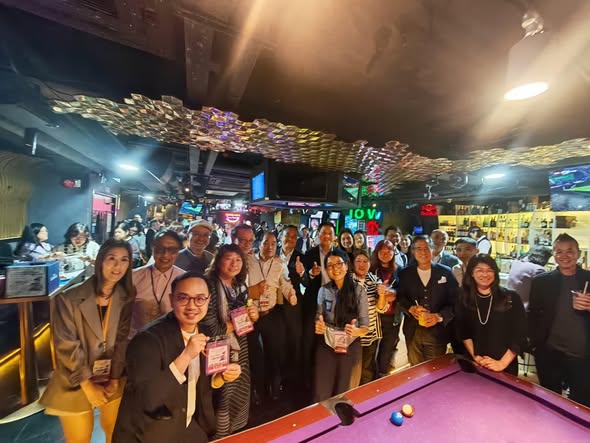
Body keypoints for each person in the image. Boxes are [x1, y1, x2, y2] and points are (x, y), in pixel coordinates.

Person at [113, 273, 242, 443]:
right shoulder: (146, 340)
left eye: (200, 299)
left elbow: (203, 383)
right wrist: (186, 356)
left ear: (208, 300)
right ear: (171, 299)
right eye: (183, 298)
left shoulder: (205, 331)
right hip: (149, 434)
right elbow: (148, 399)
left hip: (189, 426)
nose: (192, 305)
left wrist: (222, 376)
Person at [39, 239, 135, 443]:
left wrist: (115, 377)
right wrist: (88, 386)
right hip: (75, 376)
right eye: (111, 259)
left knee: (116, 433)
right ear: (100, 261)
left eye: (124, 260)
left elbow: (122, 340)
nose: (117, 266)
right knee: (79, 438)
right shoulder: (69, 298)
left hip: (112, 373)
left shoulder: (125, 296)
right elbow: (67, 346)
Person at [199, 244, 259, 438]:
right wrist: (239, 321)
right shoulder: (208, 286)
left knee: (238, 392)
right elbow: (210, 328)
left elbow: (246, 320)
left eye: (238, 260)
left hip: (240, 347)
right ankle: (219, 436)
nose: (234, 264)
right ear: (218, 261)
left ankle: (234, 433)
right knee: (221, 396)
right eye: (229, 259)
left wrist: (253, 315)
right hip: (215, 350)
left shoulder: (239, 285)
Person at [528, 233, 590, 407]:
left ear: (578, 254)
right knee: (550, 399)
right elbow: (532, 314)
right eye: (559, 251)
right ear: (553, 255)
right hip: (550, 351)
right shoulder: (541, 281)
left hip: (583, 354)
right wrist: (535, 344)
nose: (564, 255)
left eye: (570, 251)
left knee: (582, 402)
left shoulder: (588, 279)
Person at [455, 254, 526, 375]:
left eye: (489, 270)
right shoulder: (463, 298)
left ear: (495, 273)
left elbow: (520, 336)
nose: (485, 274)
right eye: (480, 270)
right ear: (471, 273)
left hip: (504, 365)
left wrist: (501, 364)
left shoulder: (511, 298)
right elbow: (463, 332)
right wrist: (476, 357)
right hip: (475, 363)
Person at [314, 249, 369, 401]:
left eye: (339, 263)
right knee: (322, 391)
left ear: (347, 266)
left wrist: (356, 331)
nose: (335, 268)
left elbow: (365, 326)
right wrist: (318, 326)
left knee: (346, 392)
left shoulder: (359, 291)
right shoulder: (323, 290)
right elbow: (318, 316)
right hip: (327, 344)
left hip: (351, 345)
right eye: (330, 265)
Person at [247, 232, 296, 400]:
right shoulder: (249, 261)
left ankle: (275, 387)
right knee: (254, 354)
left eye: (273, 243)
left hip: (271, 313)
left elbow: (285, 283)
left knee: (275, 352)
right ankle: (257, 390)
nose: (269, 246)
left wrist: (291, 294)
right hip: (251, 315)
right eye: (266, 243)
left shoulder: (279, 264)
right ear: (259, 244)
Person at [397, 235, 458, 365]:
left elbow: (455, 302)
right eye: (418, 248)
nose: (423, 252)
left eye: (427, 248)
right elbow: (399, 298)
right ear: (413, 251)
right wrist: (410, 308)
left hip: (438, 333)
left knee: (435, 369)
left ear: (432, 249)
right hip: (413, 332)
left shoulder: (445, 272)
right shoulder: (405, 274)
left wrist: (439, 316)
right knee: (415, 368)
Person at [129, 231, 185, 338]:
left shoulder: (184, 280)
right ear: (152, 248)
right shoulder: (134, 277)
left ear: (178, 251)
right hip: (135, 339)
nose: (165, 254)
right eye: (160, 249)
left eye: (171, 250)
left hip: (170, 340)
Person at [302, 222, 337, 390]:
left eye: (330, 233)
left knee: (330, 339)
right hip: (313, 303)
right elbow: (303, 282)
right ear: (318, 234)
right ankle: (308, 379)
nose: (327, 236)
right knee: (311, 339)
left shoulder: (340, 255)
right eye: (324, 233)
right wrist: (310, 273)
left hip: (334, 304)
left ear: (334, 236)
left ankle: (328, 376)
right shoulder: (309, 254)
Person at [351, 250, 388, 385]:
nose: (362, 264)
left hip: (371, 333)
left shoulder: (374, 280)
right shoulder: (347, 281)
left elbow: (381, 308)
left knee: (367, 369)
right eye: (358, 261)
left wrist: (382, 295)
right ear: (353, 264)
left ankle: (366, 394)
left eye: (365, 261)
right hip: (352, 335)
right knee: (353, 369)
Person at [278, 225, 306, 389]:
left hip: (294, 305)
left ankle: (292, 381)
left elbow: (307, 282)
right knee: (277, 342)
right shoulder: (272, 254)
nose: (290, 239)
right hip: (274, 306)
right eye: (287, 235)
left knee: (294, 340)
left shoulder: (301, 257)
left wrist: (302, 273)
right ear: (281, 236)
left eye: (294, 237)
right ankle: (277, 378)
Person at [369, 240, 400, 376]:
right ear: (376, 252)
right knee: (372, 348)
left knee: (387, 349)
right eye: (382, 251)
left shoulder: (400, 270)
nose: (385, 254)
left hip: (392, 316)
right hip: (374, 316)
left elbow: (406, 290)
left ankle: (382, 375)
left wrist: (395, 293)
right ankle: (370, 377)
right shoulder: (371, 270)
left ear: (394, 253)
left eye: (389, 251)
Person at [506, 245, 552, 309]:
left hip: (508, 302)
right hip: (524, 307)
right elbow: (544, 292)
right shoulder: (538, 269)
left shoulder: (516, 262)